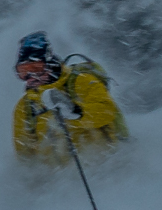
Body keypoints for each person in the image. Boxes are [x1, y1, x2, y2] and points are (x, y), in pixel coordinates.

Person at [12, 32, 128, 166]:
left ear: (50, 65)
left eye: (36, 68)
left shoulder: (81, 81)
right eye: (23, 71)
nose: (30, 77)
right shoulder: (26, 106)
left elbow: (106, 112)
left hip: (107, 167)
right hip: (59, 177)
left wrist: (75, 111)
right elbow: (25, 155)